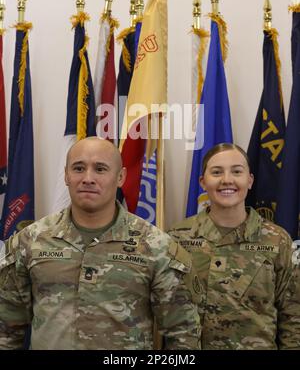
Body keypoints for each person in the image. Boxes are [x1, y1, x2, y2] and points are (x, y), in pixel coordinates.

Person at [0, 137, 201, 350]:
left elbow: (183, 335)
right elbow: (6, 329)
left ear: (121, 176)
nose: (88, 178)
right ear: (66, 175)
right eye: (78, 168)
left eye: (100, 169)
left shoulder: (155, 246)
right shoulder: (30, 240)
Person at [169, 142, 300, 350]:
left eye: (237, 171)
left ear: (250, 180)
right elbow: (165, 311)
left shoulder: (277, 240)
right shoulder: (176, 238)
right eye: (217, 172)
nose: (227, 180)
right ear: (203, 182)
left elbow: (293, 316)